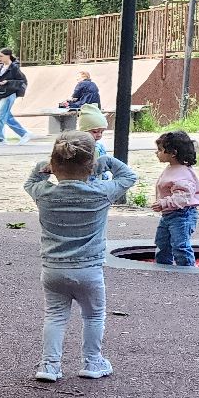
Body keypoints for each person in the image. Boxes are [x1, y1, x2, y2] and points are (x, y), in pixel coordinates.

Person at [24, 133, 137, 382]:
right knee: (94, 315)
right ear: (91, 165)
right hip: (89, 269)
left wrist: (43, 168)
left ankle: (49, 365)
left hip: (52, 268)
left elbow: (30, 181)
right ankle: (92, 361)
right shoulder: (101, 192)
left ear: (53, 166)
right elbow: (129, 176)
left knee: (54, 316)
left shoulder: (44, 194)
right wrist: (106, 161)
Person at [151, 130, 199, 267]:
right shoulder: (172, 168)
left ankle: (186, 268)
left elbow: (183, 196)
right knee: (163, 242)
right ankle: (163, 265)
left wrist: (164, 203)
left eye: (160, 150)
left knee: (180, 244)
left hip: (182, 214)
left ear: (173, 153)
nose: (156, 153)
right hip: (169, 214)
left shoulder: (182, 173)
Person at [0, 49, 31, 146]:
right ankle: (21, 134)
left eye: (1, 56)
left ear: (8, 56)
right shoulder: (0, 66)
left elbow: (22, 81)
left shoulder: (14, 67)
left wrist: (8, 82)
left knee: (0, 117)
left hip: (9, 94)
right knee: (7, 117)